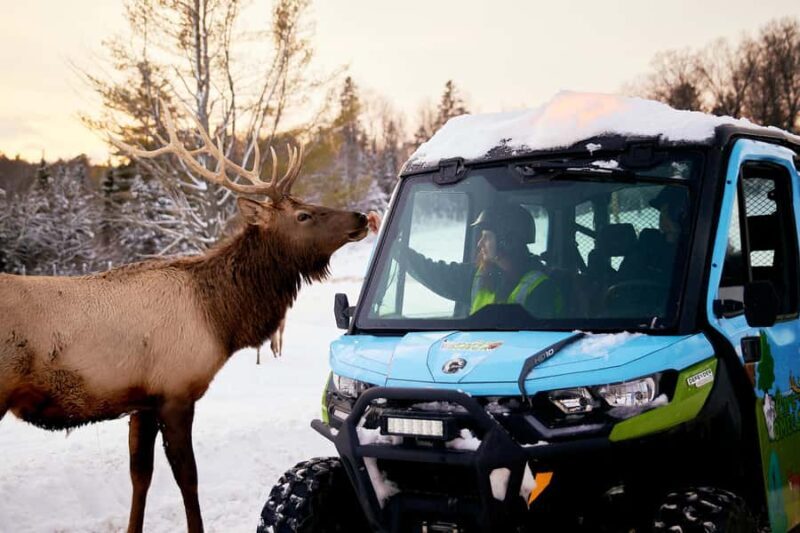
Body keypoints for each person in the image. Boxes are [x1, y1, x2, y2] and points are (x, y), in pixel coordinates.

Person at [399, 204, 562, 318]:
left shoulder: (540, 287)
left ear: (508, 241)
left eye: (487, 237)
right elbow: (434, 272)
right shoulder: (478, 275)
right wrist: (395, 247)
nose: (479, 243)